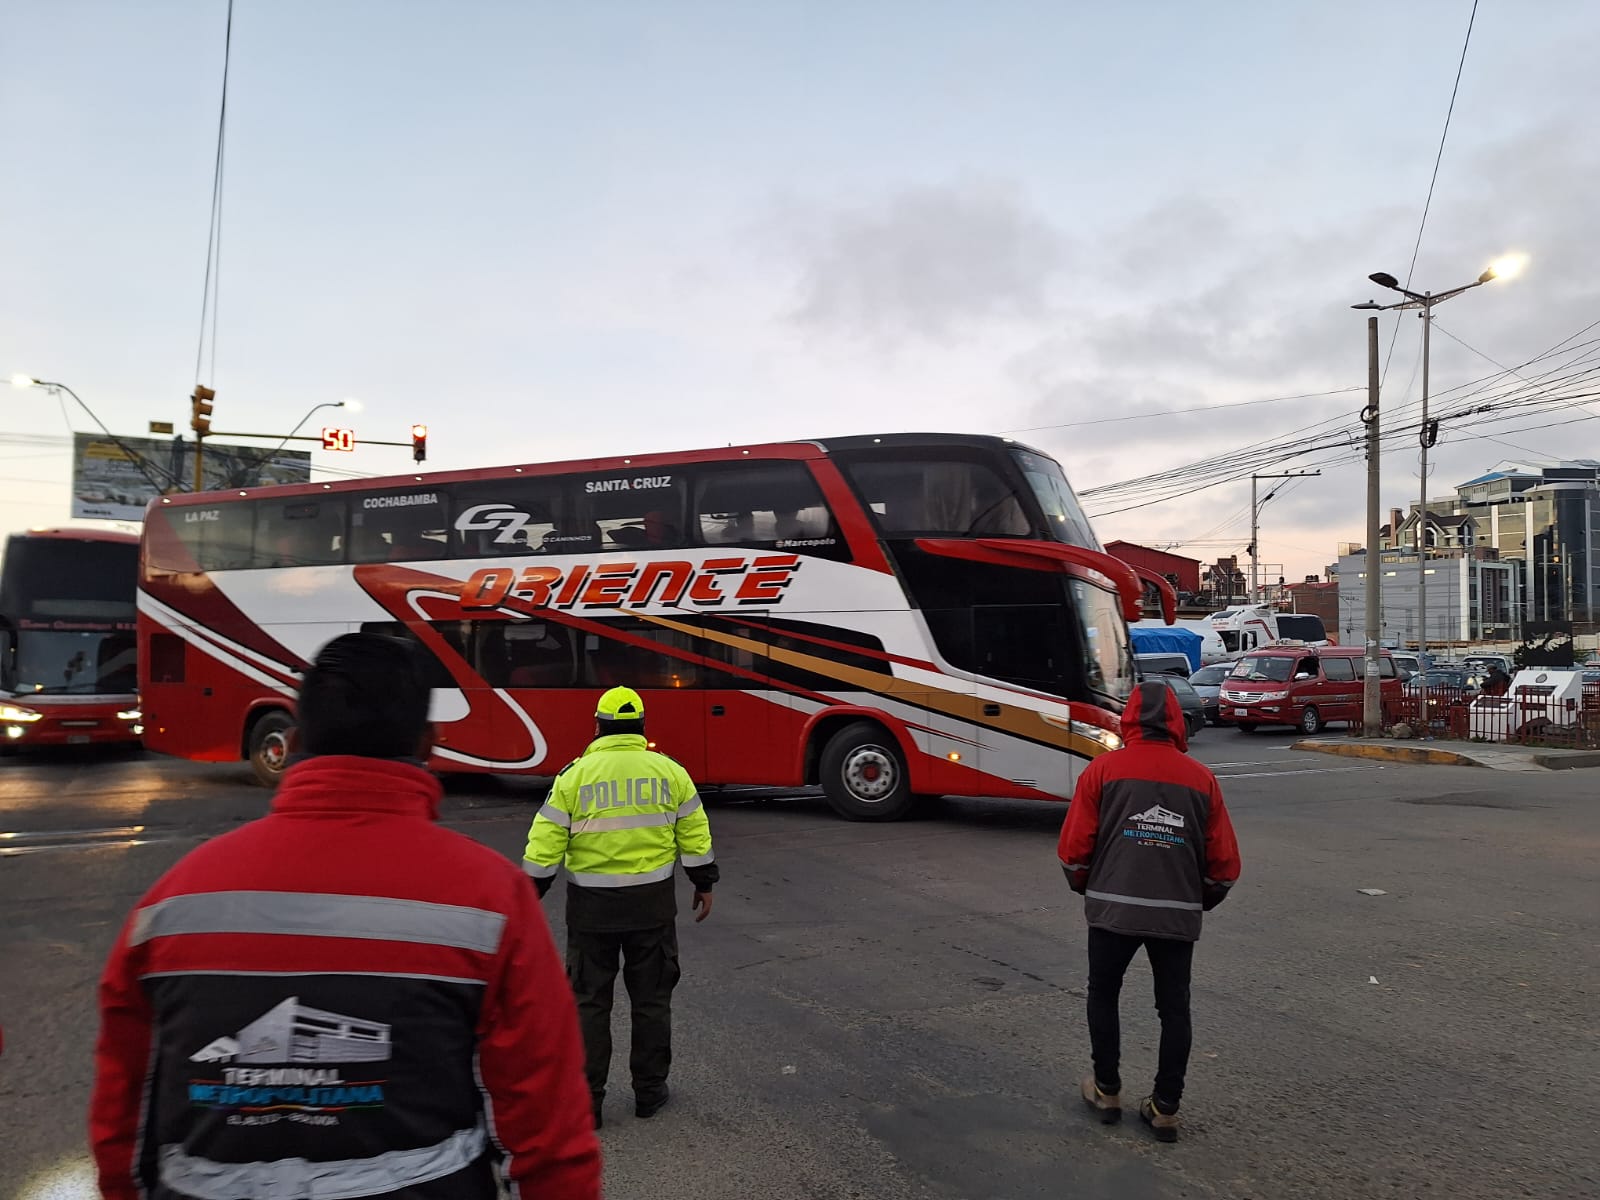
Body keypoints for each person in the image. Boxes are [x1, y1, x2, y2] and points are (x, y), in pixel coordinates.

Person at [90, 633, 601, 1200]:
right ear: (428, 744)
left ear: (294, 740)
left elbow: (124, 1119)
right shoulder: (489, 897)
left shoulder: (171, 900)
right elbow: (546, 1128)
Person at [1057, 679, 1241, 1143]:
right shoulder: (1202, 779)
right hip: (1175, 915)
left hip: (1112, 911)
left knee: (1103, 994)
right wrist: (1197, 900)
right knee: (1174, 1008)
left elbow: (1074, 850)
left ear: (1130, 719)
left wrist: (1089, 888)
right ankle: (1165, 1107)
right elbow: (1224, 866)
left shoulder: (1102, 771)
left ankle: (1107, 1089)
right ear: (1177, 721)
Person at [524, 686, 717, 1127]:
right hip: (651, 908)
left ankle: (588, 1102)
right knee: (651, 1001)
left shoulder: (575, 775)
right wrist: (703, 882)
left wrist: (531, 893)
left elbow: (546, 841)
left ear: (598, 726)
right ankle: (649, 1093)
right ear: (642, 727)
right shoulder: (669, 771)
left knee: (590, 1003)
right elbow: (695, 832)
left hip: (591, 912)